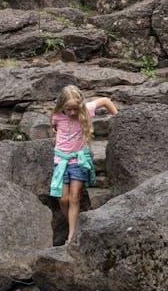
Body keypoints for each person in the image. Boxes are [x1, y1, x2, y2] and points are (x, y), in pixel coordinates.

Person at [48, 86, 118, 246]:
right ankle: (74, 225)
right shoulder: (57, 115)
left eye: (75, 109)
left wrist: (118, 118)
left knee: (74, 197)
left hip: (78, 160)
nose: (72, 113)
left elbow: (106, 101)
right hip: (60, 161)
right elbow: (55, 128)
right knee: (63, 199)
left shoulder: (85, 110)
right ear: (62, 106)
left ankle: (72, 234)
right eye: (69, 109)